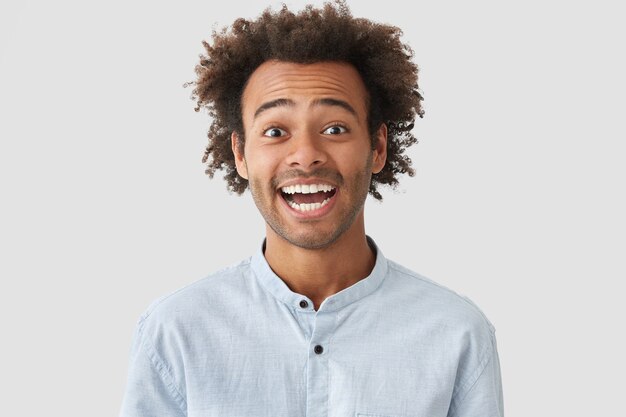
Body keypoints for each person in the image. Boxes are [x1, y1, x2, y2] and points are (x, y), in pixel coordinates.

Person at [119, 1, 504, 416]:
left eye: (335, 128)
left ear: (377, 147)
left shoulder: (457, 333)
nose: (306, 155)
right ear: (240, 154)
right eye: (275, 131)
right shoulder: (175, 332)